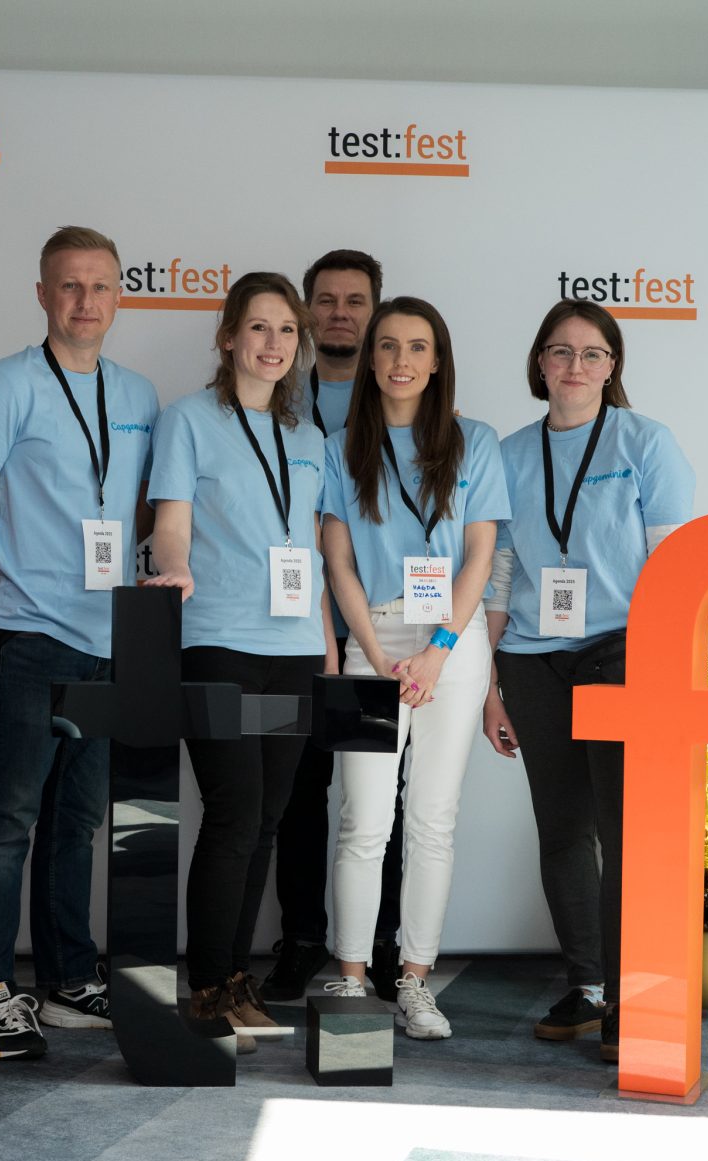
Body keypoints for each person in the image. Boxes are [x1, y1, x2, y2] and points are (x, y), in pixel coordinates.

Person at [0, 226, 158, 1059]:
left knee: (76, 823)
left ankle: (67, 979)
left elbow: (144, 510)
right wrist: (12, 588)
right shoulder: (6, 383)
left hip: (111, 644)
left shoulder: (138, 395)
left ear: (119, 296)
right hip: (29, 642)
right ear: (41, 294)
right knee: (7, 820)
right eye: (69, 285)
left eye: (99, 286)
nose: (85, 301)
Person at [481, 299, 695, 1062]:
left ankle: (632, 999)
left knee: (625, 831)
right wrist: (490, 685)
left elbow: (672, 565)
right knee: (563, 829)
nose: (575, 365)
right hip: (532, 660)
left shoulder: (645, 442)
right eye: (561, 351)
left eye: (592, 353)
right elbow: (498, 574)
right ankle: (589, 988)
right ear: (539, 363)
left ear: (612, 367)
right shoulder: (507, 453)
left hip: (620, 653)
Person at [145, 271, 335, 1050]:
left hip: (293, 652)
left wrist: (326, 647)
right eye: (258, 327)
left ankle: (234, 980)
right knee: (232, 814)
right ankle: (207, 988)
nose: (273, 343)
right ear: (228, 337)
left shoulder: (311, 438)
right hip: (218, 641)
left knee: (265, 820)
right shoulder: (188, 420)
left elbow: (314, 549)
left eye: (287, 330)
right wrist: (175, 570)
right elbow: (172, 523)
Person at [321, 296, 510, 1039]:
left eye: (418, 347)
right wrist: (374, 653)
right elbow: (338, 562)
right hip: (371, 638)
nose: (402, 361)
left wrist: (437, 653)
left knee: (432, 819)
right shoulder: (340, 446)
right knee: (363, 821)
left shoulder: (475, 442)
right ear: (371, 359)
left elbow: (480, 558)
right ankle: (349, 978)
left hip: (452, 646)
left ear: (437, 362)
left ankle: (415, 981)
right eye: (389, 346)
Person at [262, 249, 406, 1005]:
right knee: (297, 791)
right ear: (306, 312)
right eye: (326, 300)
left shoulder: (405, 403)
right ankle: (302, 938)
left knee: (381, 800)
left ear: (376, 313)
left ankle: (379, 942)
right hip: (291, 630)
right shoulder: (274, 400)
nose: (340, 314)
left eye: (356, 301)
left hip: (380, 633)